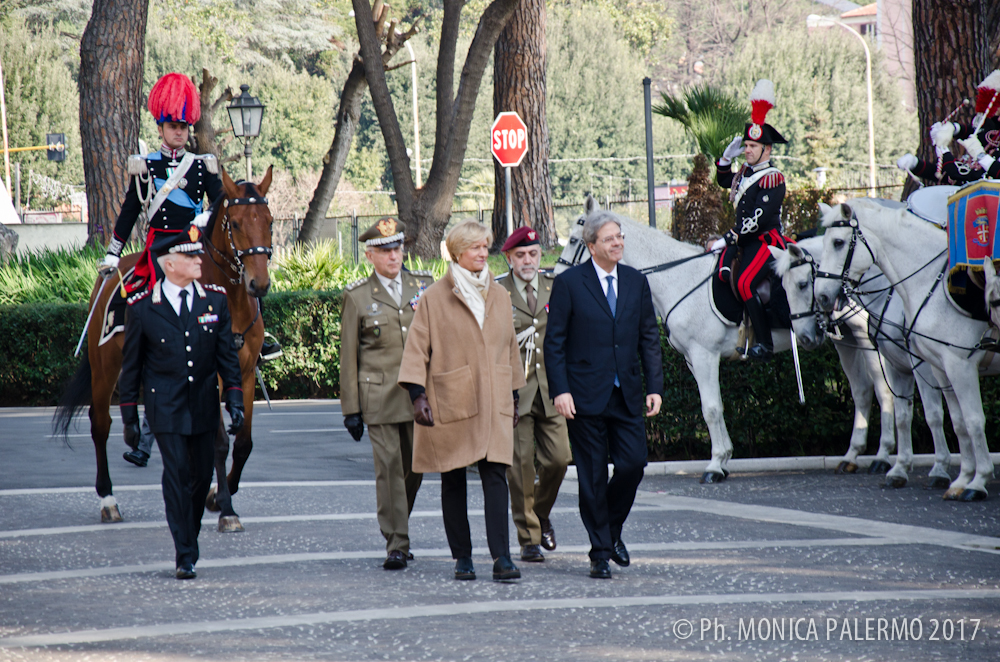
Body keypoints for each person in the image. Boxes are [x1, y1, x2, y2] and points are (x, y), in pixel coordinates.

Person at [99, 72, 281, 362]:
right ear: (160, 128)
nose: (179, 132)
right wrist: (113, 254)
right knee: (144, 290)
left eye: (184, 126)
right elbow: (129, 212)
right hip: (159, 247)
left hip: (196, 245)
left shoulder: (201, 166)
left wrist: (206, 217)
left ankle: (256, 338)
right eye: (173, 126)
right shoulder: (145, 167)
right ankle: (138, 344)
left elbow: (223, 201)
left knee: (237, 274)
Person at [398, 219, 526, 582]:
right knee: (453, 478)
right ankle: (462, 557)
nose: (483, 253)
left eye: (485, 246)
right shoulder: (435, 297)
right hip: (452, 399)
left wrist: (514, 396)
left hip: (495, 398)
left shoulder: (500, 295)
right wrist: (416, 394)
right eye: (475, 247)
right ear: (457, 252)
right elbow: (417, 348)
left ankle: (502, 557)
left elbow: (510, 350)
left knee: (496, 475)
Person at [118, 222, 244, 580]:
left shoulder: (215, 301)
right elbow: (132, 369)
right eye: (189, 255)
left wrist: (235, 399)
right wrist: (129, 418)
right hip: (166, 408)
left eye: (197, 253)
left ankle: (189, 534)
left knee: (202, 476)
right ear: (168, 263)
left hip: (203, 404)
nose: (198, 258)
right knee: (177, 474)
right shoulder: (143, 308)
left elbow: (227, 360)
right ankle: (185, 551)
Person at [543, 211, 663, 580]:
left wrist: (655, 386)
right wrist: (560, 390)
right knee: (592, 477)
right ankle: (599, 552)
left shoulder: (635, 282)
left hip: (625, 393)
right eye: (609, 239)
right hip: (583, 396)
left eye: (620, 237)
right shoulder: (570, 284)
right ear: (592, 245)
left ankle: (610, 532)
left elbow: (648, 337)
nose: (618, 243)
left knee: (632, 464)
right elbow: (555, 342)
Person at [339, 217, 433, 570]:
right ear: (370, 255)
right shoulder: (358, 297)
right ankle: (397, 542)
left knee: (415, 470)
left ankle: (399, 524)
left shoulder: (424, 287)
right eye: (385, 251)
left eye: (397, 248)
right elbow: (349, 357)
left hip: (417, 396)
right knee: (389, 470)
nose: (394, 256)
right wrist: (350, 408)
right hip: (378, 398)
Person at [495, 226, 572, 563]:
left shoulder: (557, 288)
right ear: (509, 258)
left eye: (533, 254)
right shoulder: (496, 292)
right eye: (520, 255)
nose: (528, 260)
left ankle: (540, 514)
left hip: (551, 390)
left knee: (558, 459)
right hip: (515, 393)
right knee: (521, 466)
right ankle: (528, 538)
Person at [715, 79, 790, 361]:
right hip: (744, 240)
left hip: (765, 241)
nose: (746, 150)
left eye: (752, 146)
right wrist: (725, 158)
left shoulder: (773, 178)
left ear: (766, 150)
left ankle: (765, 344)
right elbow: (724, 180)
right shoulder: (745, 172)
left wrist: (729, 237)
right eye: (745, 145)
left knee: (746, 282)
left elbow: (758, 220)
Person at [897, 70, 1000, 184]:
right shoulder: (993, 136)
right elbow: (949, 178)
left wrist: (981, 157)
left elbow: (960, 175)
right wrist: (915, 164)